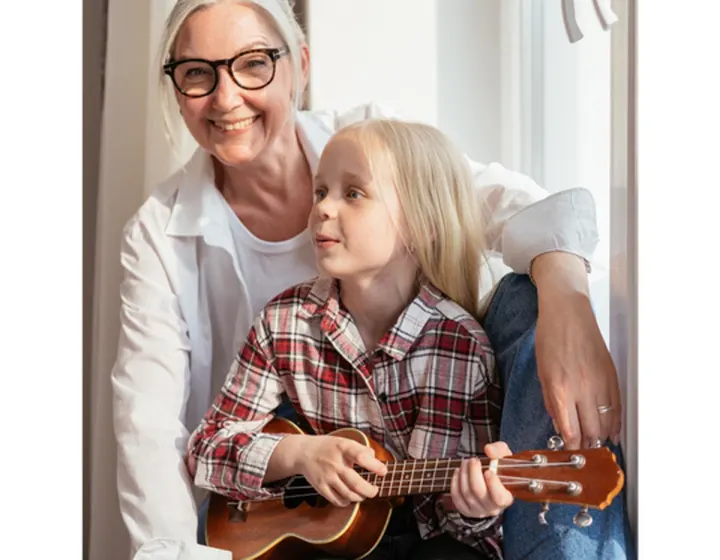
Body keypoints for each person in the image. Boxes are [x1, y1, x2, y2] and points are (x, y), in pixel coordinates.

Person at [111, 0, 632, 558]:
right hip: (263, 505)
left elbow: (515, 206)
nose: (225, 96)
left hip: (406, 510)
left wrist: (568, 300)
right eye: (197, 73)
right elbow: (150, 424)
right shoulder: (187, 253)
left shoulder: (367, 147)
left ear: (301, 65)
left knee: (528, 293)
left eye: (253, 62)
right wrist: (293, 459)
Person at [186, 118, 514, 560]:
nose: (322, 208)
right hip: (318, 541)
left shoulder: (460, 348)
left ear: (421, 223)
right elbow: (207, 448)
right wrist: (298, 454)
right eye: (321, 191)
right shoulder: (284, 322)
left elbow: (464, 527)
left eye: (353, 194)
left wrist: (474, 507)